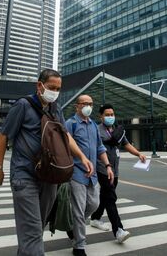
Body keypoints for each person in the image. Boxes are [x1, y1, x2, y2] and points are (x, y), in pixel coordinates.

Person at [0, 69, 93, 256]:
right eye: (52, 87)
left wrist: (81, 156)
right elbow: (4, 136)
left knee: (37, 226)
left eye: (58, 88)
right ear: (40, 85)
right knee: (32, 231)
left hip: (49, 176)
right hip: (24, 176)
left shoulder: (56, 109)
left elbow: (65, 135)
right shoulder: (23, 105)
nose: (55, 91)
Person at [65, 95, 114, 256]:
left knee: (93, 204)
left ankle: (72, 225)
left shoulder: (93, 125)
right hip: (76, 173)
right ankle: (79, 246)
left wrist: (107, 166)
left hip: (92, 175)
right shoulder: (70, 124)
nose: (88, 106)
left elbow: (100, 147)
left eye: (90, 104)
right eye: (85, 104)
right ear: (77, 106)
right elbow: (65, 147)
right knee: (79, 210)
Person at [89, 104, 146, 244]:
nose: (110, 117)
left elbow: (126, 144)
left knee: (105, 196)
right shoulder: (96, 130)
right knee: (110, 198)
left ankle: (95, 218)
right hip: (103, 168)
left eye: (112, 114)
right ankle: (118, 230)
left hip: (115, 170)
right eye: (107, 115)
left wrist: (138, 153)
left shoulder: (117, 130)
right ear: (101, 116)